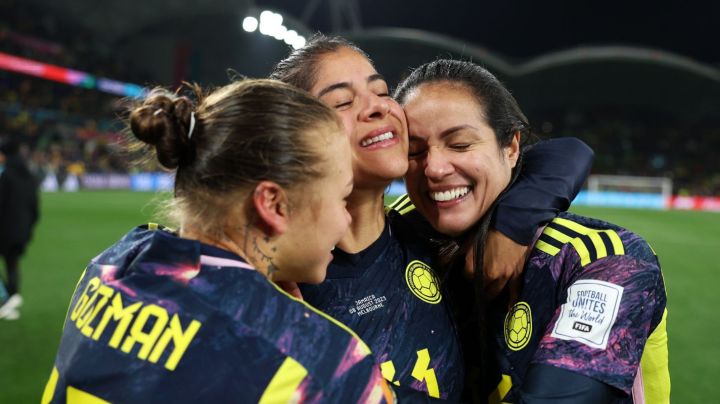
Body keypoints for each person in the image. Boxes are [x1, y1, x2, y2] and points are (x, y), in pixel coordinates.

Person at [270, 35, 594, 400]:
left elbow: (563, 151)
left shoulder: (428, 230)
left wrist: (514, 221)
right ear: (295, 140)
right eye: (343, 101)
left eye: (381, 91)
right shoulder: (279, 283)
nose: (376, 107)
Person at [42, 79, 396, 403]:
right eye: (342, 198)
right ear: (273, 204)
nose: (346, 218)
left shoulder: (109, 265)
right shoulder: (324, 365)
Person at [393, 59, 669, 403]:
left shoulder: (601, 258)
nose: (433, 168)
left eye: (460, 144)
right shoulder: (394, 231)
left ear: (510, 147)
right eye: (414, 151)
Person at [0, 137, 40, 320]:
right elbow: (35, 208)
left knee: (10, 261)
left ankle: (6, 298)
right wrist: (29, 228)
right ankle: (13, 295)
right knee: (12, 261)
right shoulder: (29, 175)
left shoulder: (5, 174)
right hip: (23, 229)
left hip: (5, 228)